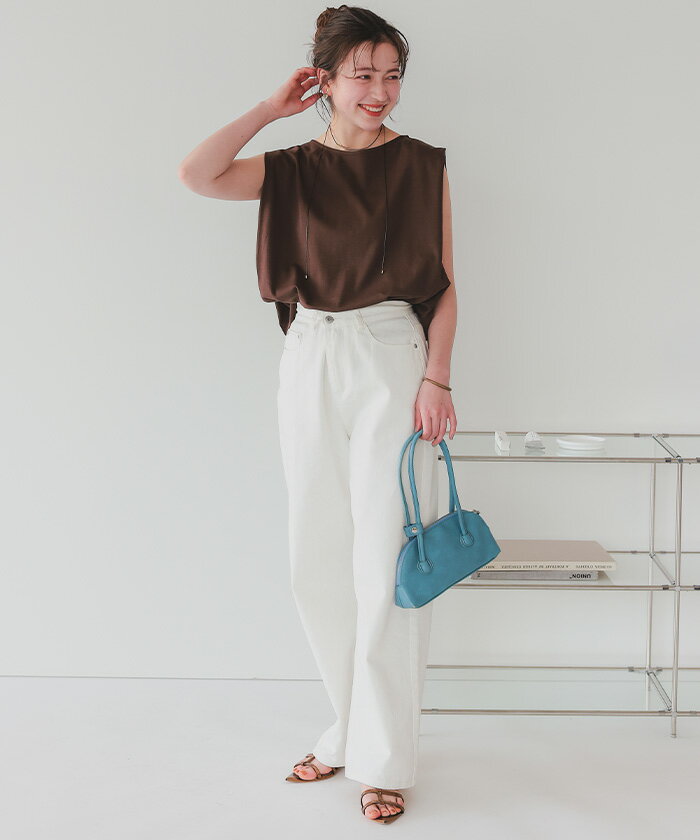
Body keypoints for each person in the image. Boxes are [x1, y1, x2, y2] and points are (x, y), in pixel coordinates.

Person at [178, 4, 458, 824]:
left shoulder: (421, 165)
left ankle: (385, 759)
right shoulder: (289, 167)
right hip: (309, 354)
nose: (380, 91)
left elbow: (445, 283)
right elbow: (197, 174)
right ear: (325, 80)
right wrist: (270, 110)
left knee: (385, 558)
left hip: (392, 356)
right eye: (362, 75)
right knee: (318, 559)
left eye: (392, 75)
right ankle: (347, 727)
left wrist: (437, 378)